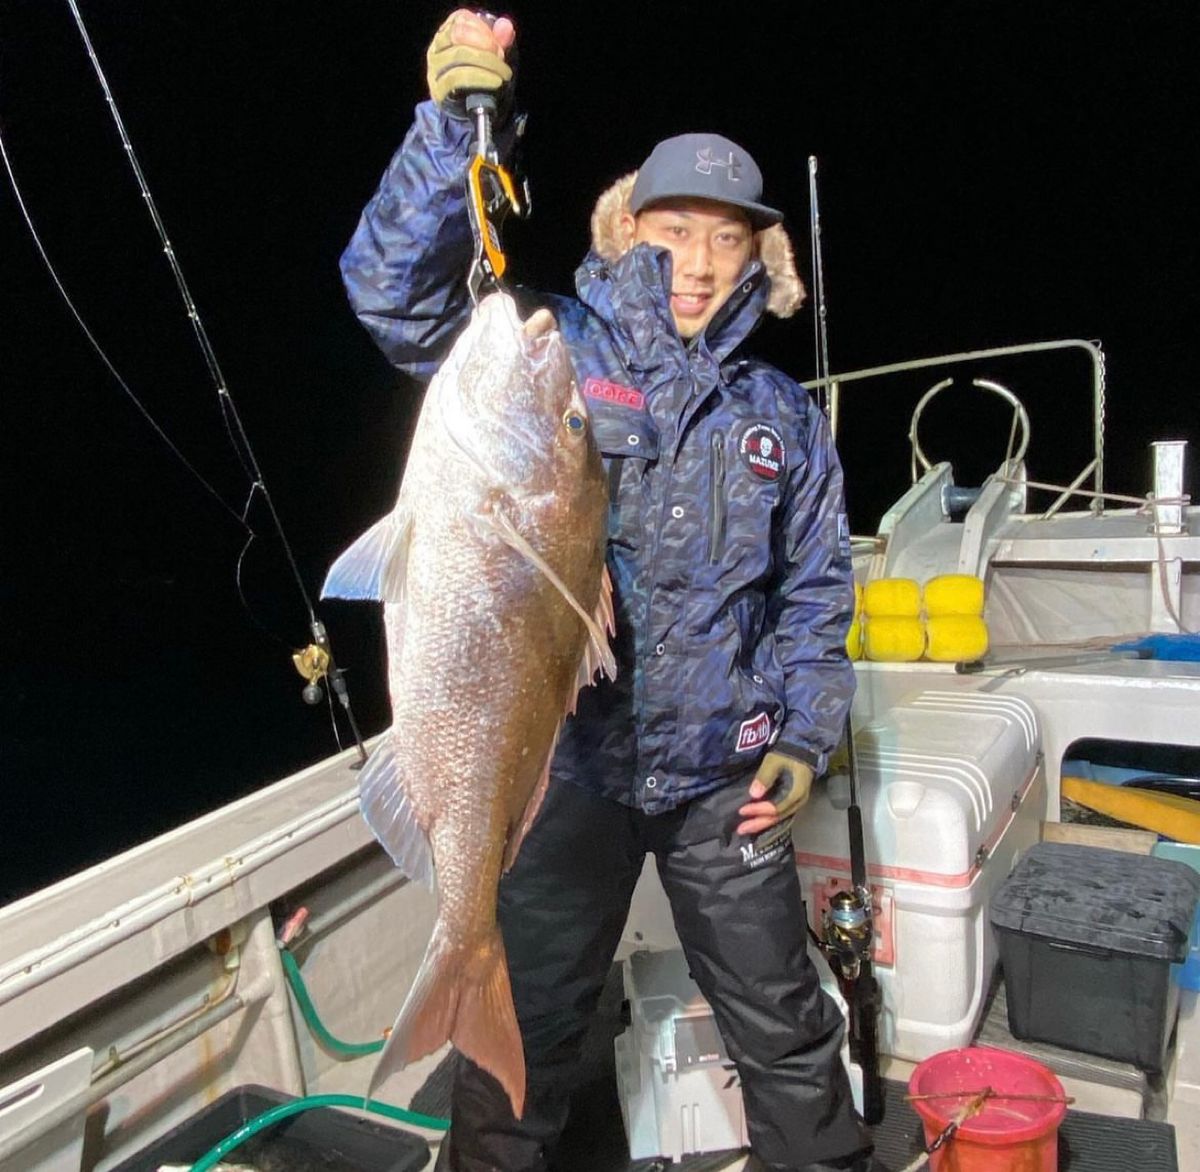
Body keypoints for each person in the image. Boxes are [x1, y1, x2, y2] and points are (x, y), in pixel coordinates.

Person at [340, 11, 876, 1172]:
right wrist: (454, 132)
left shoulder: (781, 415)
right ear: (628, 228)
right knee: (519, 1047)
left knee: (788, 1032)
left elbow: (817, 591)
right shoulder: (553, 348)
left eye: (726, 240)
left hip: (717, 778)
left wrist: (805, 733)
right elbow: (392, 295)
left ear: (756, 260)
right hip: (564, 770)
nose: (696, 260)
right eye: (674, 228)